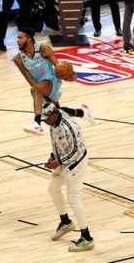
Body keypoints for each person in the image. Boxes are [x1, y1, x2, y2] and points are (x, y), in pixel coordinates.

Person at [13, 27, 95, 135]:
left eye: (20, 37)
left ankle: (36, 123)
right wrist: (41, 94)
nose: (17, 40)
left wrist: (71, 74)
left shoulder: (43, 48)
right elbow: (29, 78)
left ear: (29, 39)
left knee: (35, 91)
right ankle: (82, 112)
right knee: (54, 117)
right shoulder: (18, 58)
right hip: (41, 87)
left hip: (52, 80)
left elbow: (58, 65)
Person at [41, 101, 95, 252]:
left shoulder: (68, 126)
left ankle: (87, 238)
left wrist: (59, 161)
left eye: (46, 119)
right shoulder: (53, 122)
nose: (44, 122)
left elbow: (78, 150)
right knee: (52, 189)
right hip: (63, 161)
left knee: (73, 198)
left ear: (53, 114)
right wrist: (52, 157)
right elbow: (55, 143)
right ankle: (65, 222)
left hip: (76, 163)